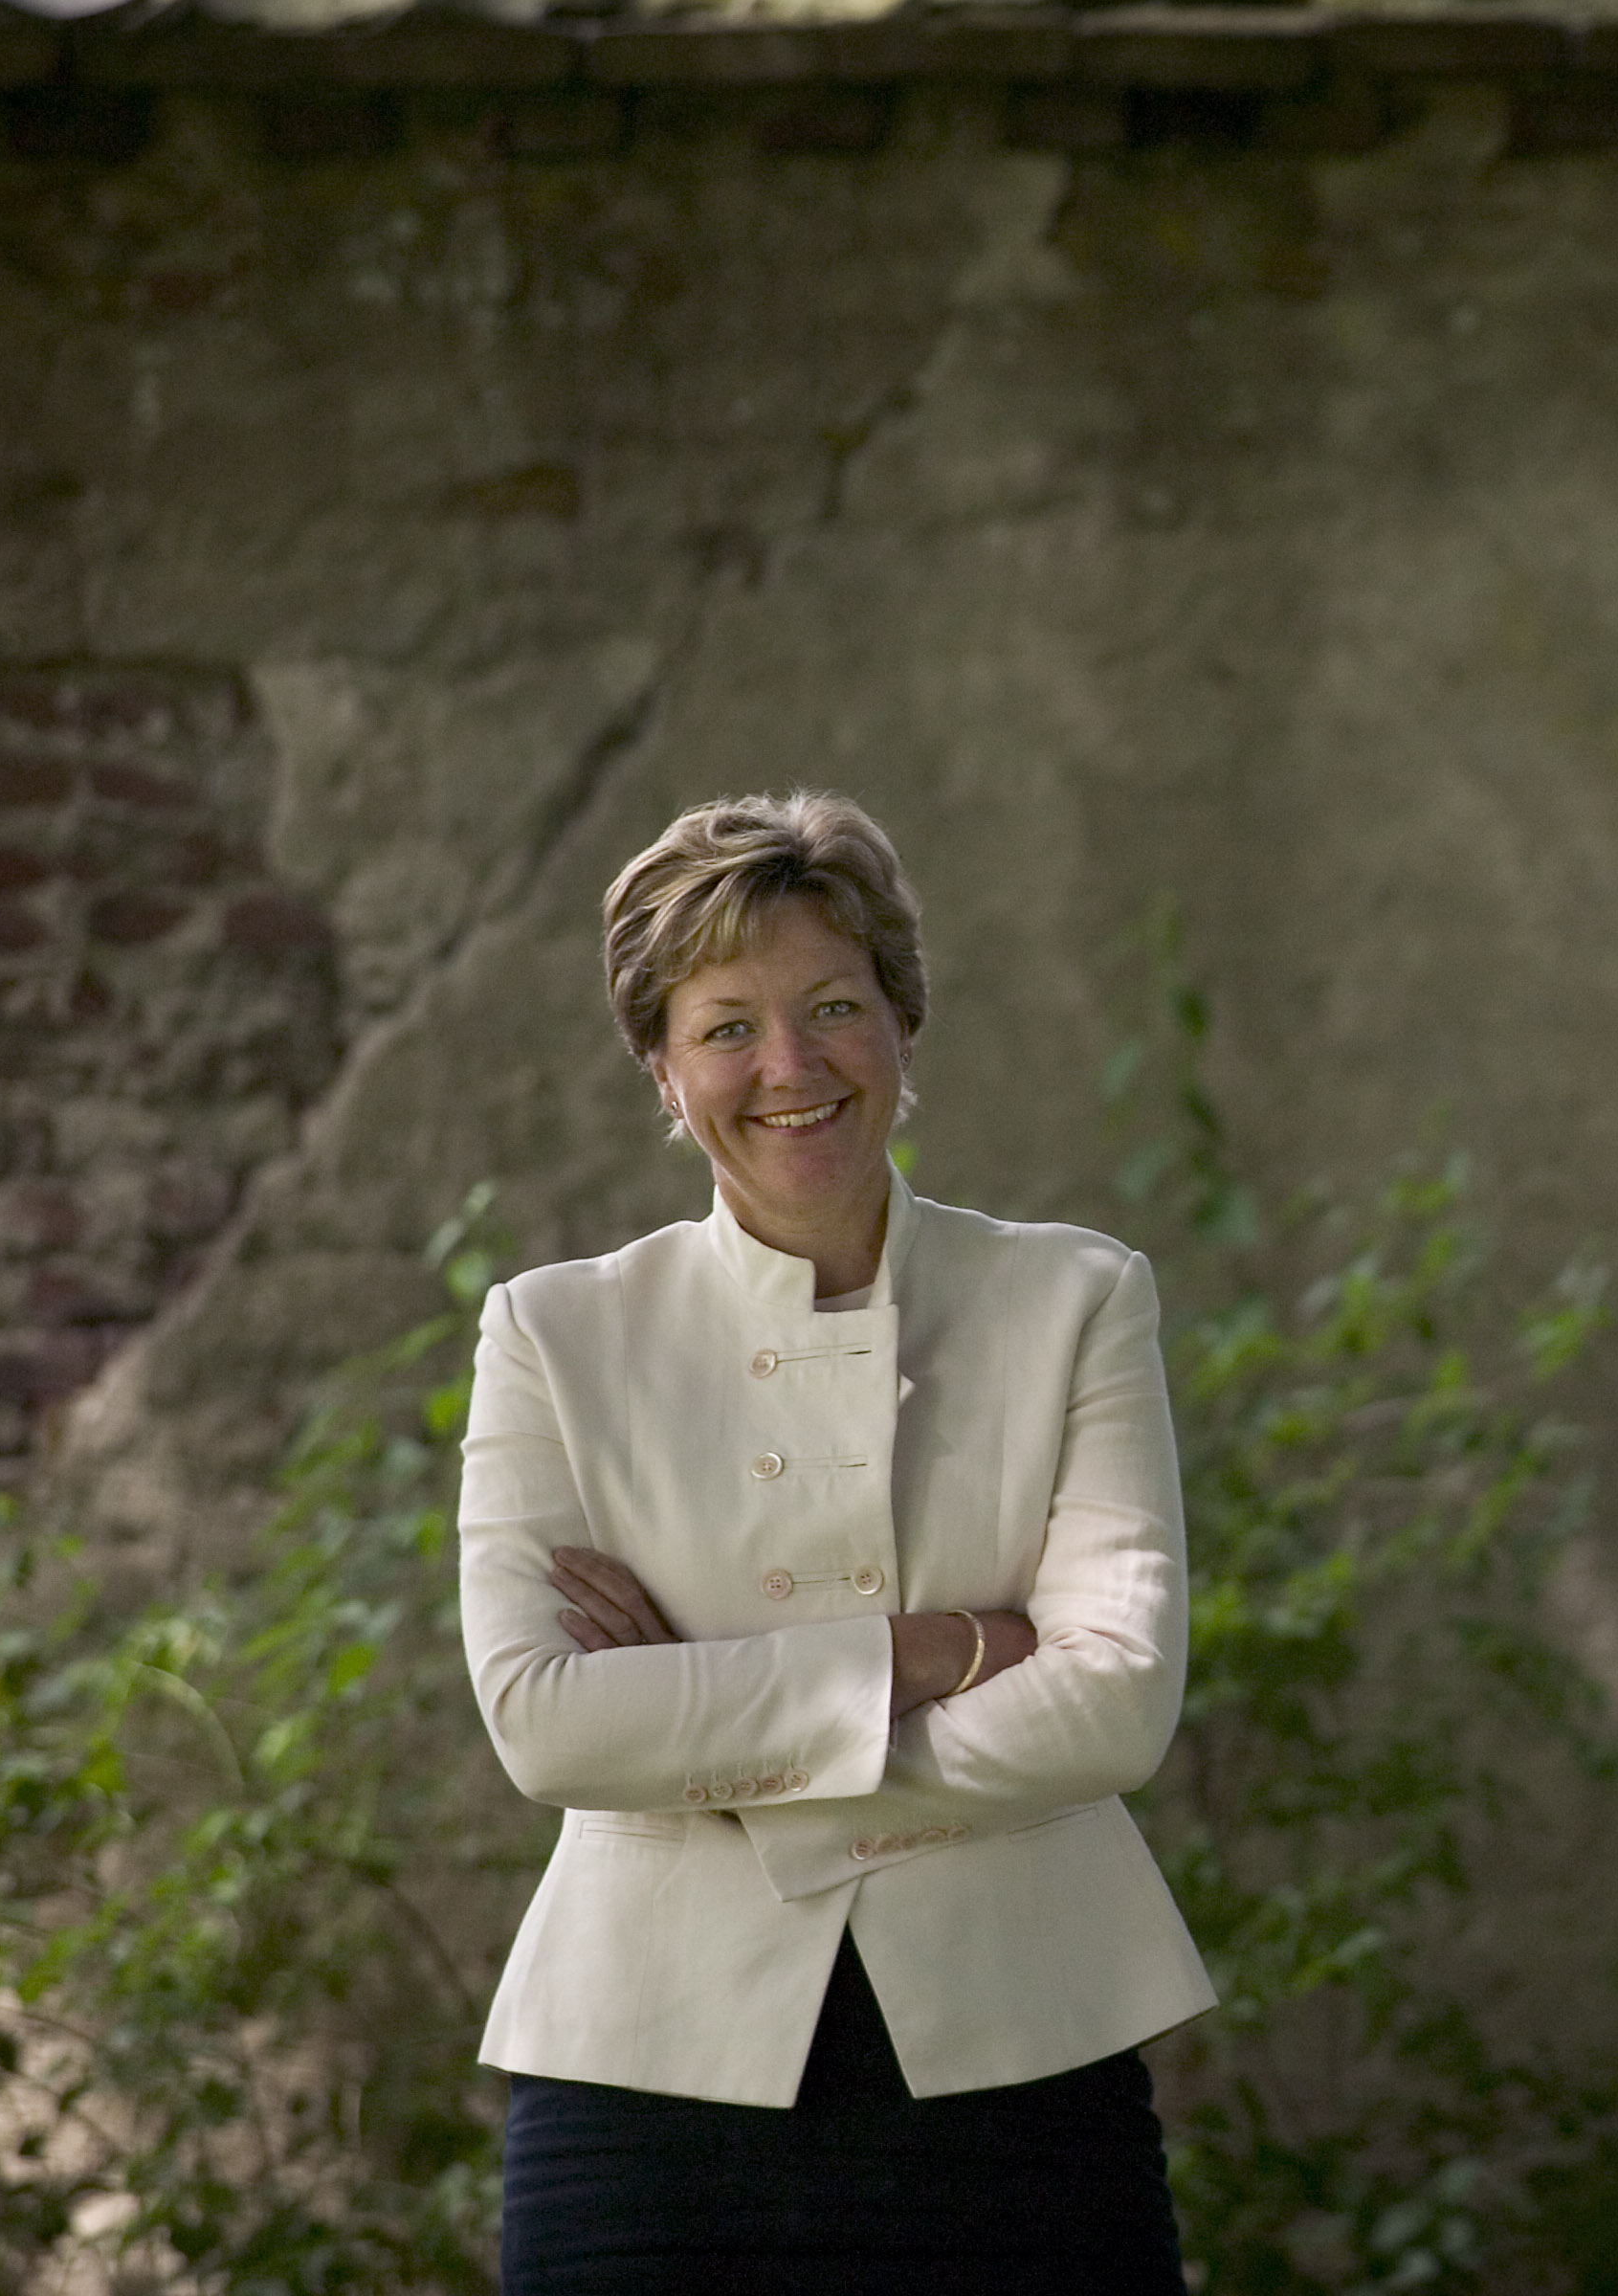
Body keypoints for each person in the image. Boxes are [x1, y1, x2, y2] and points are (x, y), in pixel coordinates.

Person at [458, 790, 1215, 2295]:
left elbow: (1116, 1703)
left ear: (902, 1025)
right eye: (727, 1027)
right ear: (664, 1070)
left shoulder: (1073, 1299)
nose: (789, 1069)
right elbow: (547, 1725)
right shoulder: (554, 1334)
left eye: (833, 1009)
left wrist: (701, 1725)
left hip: (1026, 2066)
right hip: (645, 2089)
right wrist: (936, 1654)